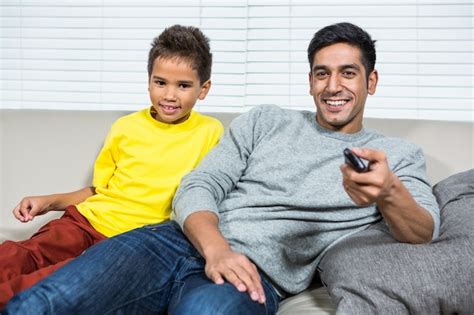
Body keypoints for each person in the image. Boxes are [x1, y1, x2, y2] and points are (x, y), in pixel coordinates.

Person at [4, 22, 439, 314]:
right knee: (41, 303)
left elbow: (423, 231)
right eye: (322, 73)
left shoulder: (395, 155)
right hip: (168, 242)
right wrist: (215, 248)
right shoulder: (265, 120)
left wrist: (388, 193)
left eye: (348, 73)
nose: (333, 86)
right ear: (310, 81)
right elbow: (200, 184)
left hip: (250, 276)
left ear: (371, 82)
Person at [0, 25, 223, 308]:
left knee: (57, 279)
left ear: (203, 89)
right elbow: (99, 191)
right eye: (160, 82)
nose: (169, 95)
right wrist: (50, 201)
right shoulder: (125, 127)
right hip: (85, 221)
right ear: (148, 81)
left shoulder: (210, 133)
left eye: (183, 85)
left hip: (131, 242)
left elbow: (207, 195)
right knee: (22, 253)